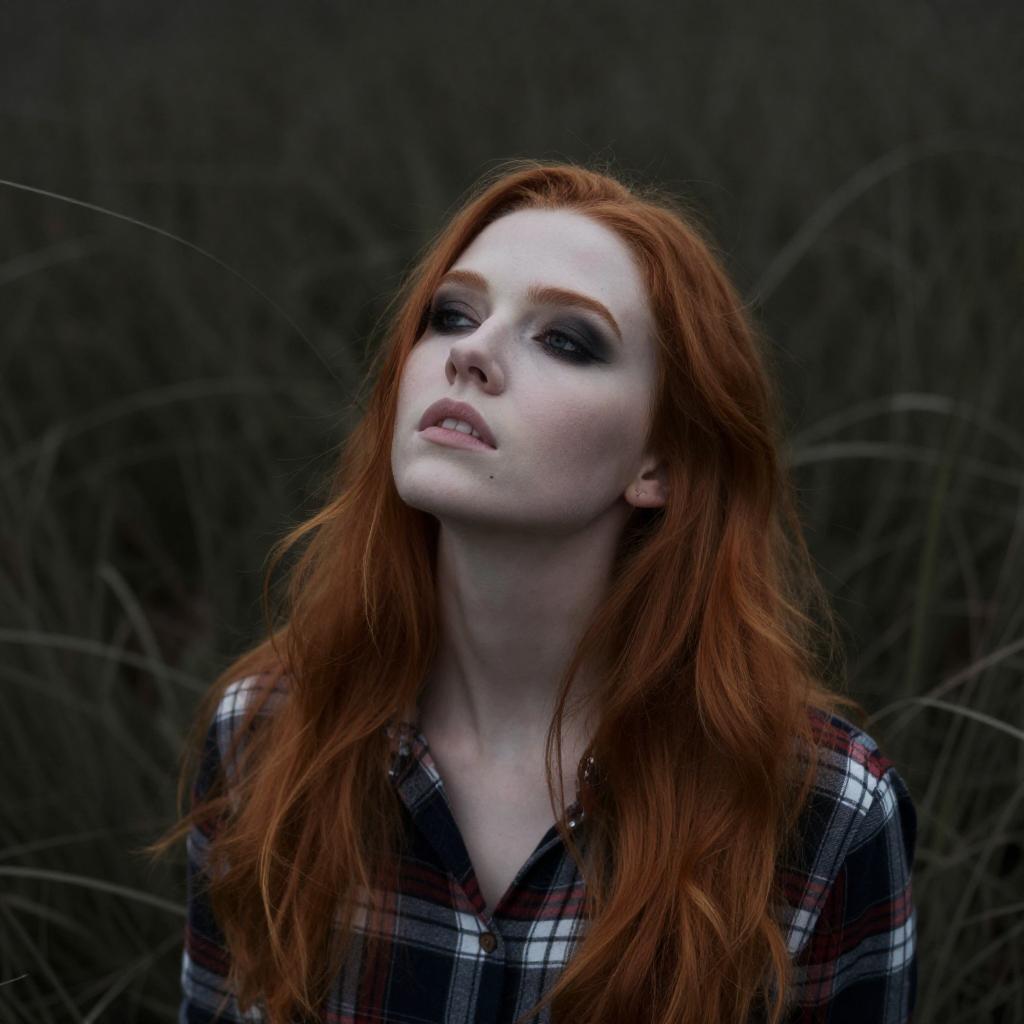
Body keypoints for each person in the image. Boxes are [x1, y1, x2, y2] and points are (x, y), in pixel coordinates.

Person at [150, 160, 918, 1024]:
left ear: (657, 462)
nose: (470, 355)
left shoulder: (818, 811)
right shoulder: (268, 735)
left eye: (565, 339)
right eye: (452, 315)